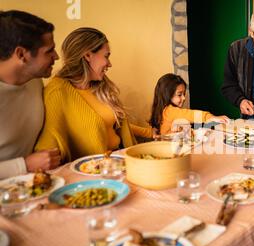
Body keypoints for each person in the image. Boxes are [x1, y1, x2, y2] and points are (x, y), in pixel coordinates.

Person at [35, 27, 150, 162]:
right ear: (88, 55)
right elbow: (48, 145)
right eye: (106, 56)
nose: (110, 63)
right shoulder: (57, 92)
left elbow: (111, 126)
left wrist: (148, 133)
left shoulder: (101, 86)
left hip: (120, 161)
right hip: (92, 171)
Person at [0, 10, 61, 179]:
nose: (56, 56)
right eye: (49, 51)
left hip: (30, 187)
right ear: (21, 55)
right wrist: (24, 165)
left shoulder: (34, 80)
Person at [150, 73, 229, 135]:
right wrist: (211, 117)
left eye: (184, 94)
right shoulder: (170, 110)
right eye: (179, 94)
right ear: (167, 95)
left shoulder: (163, 110)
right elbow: (191, 114)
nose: (184, 98)